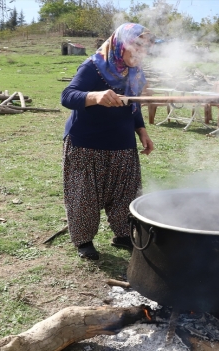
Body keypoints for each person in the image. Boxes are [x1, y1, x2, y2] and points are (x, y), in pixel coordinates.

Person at [60, 23, 155, 260]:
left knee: (126, 192)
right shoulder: (93, 66)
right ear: (120, 44)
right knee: (85, 195)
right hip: (86, 142)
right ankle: (84, 241)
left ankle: (123, 234)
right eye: (135, 46)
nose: (139, 53)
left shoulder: (135, 72)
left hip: (122, 142)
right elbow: (68, 96)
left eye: (144, 48)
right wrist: (95, 96)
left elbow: (133, 104)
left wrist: (141, 130)